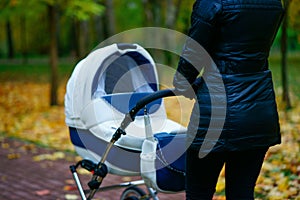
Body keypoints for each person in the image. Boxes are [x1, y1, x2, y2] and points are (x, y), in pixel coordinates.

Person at [173, 0, 284, 199]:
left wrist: (183, 84)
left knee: (199, 193)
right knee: (242, 192)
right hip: (258, 107)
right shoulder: (274, 3)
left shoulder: (213, 3)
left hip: (216, 114)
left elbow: (194, 52)